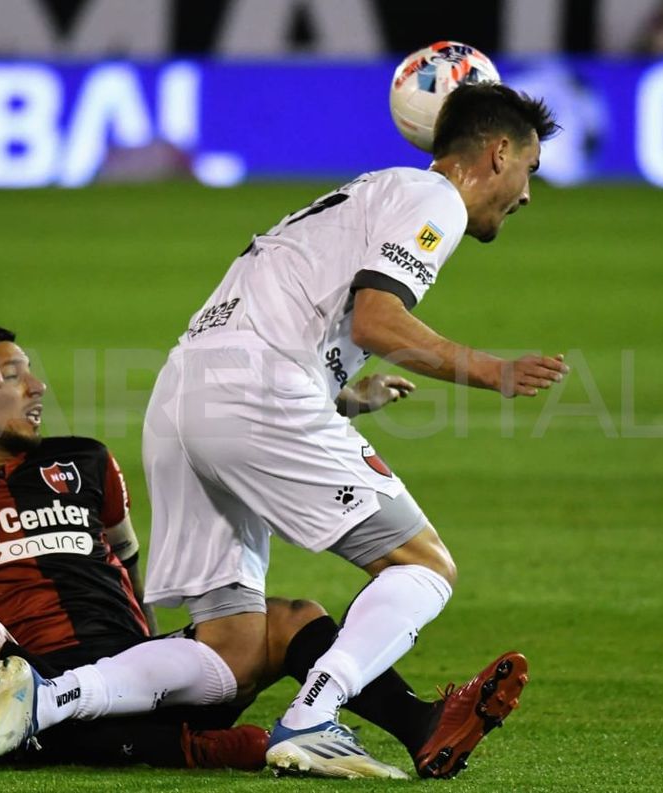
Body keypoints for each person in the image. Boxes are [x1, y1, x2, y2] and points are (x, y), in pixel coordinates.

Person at [138, 81, 564, 778]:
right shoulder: (433, 200)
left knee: (231, 647)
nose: (526, 193)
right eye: (531, 168)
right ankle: (313, 714)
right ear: (498, 152)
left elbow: (298, 308)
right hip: (257, 392)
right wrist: (494, 372)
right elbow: (376, 320)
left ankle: (52, 701)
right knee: (423, 566)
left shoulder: (367, 192)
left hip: (184, 390)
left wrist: (334, 390)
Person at [0, 327, 478, 779]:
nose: (37, 386)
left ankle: (421, 727)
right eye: (13, 376)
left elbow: (138, 553)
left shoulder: (83, 460)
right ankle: (193, 744)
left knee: (288, 619)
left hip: (130, 670)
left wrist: (329, 407)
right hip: (21, 674)